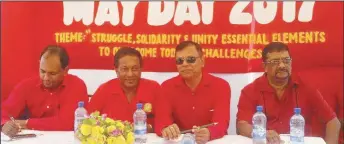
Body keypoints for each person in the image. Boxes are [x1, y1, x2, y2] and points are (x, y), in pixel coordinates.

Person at [236, 42, 341, 144]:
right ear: (264, 66)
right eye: (275, 62)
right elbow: (242, 125)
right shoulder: (250, 91)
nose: (282, 65)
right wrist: (262, 133)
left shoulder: (306, 87)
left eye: (286, 60)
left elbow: (333, 122)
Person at [1, 45, 89, 137]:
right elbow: (4, 111)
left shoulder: (76, 85)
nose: (46, 78)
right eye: (42, 71)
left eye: (52, 73)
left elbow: (67, 123)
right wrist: (4, 125)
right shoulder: (27, 86)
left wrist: (26, 123)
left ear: (65, 70)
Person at [155, 41, 231, 144]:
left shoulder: (221, 86)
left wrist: (209, 132)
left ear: (202, 61)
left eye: (190, 59)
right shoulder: (166, 87)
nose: (185, 64)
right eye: (180, 61)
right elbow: (161, 120)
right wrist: (166, 128)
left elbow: (221, 122)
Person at [87, 47, 161, 133]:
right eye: (124, 69)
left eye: (135, 69)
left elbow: (165, 121)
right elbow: (88, 122)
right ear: (116, 70)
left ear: (141, 69)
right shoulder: (104, 90)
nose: (130, 74)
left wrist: (151, 128)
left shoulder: (154, 88)